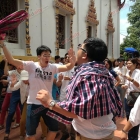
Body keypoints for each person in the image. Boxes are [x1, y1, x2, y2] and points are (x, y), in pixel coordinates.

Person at [36, 37, 122, 140]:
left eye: (80, 47)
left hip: (93, 136)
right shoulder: (100, 71)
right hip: (93, 132)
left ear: (85, 55)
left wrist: (50, 102)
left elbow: (79, 110)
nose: (77, 51)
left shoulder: (90, 76)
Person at [0, 37, 75, 140]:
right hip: (33, 104)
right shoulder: (31, 66)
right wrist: (3, 44)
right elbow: (11, 60)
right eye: (45, 55)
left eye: (49, 55)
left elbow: (67, 67)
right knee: (30, 135)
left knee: (53, 130)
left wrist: (72, 60)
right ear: (39, 56)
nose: (47, 57)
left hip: (48, 104)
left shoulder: (52, 67)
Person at [121, 58, 140, 140]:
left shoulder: (138, 73)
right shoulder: (127, 72)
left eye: (130, 63)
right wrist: (124, 86)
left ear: (135, 64)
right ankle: (130, 136)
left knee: (136, 117)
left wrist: (132, 80)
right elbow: (127, 84)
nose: (128, 65)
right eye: (127, 63)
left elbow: (139, 86)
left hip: (136, 97)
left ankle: (134, 136)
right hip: (128, 97)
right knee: (129, 116)